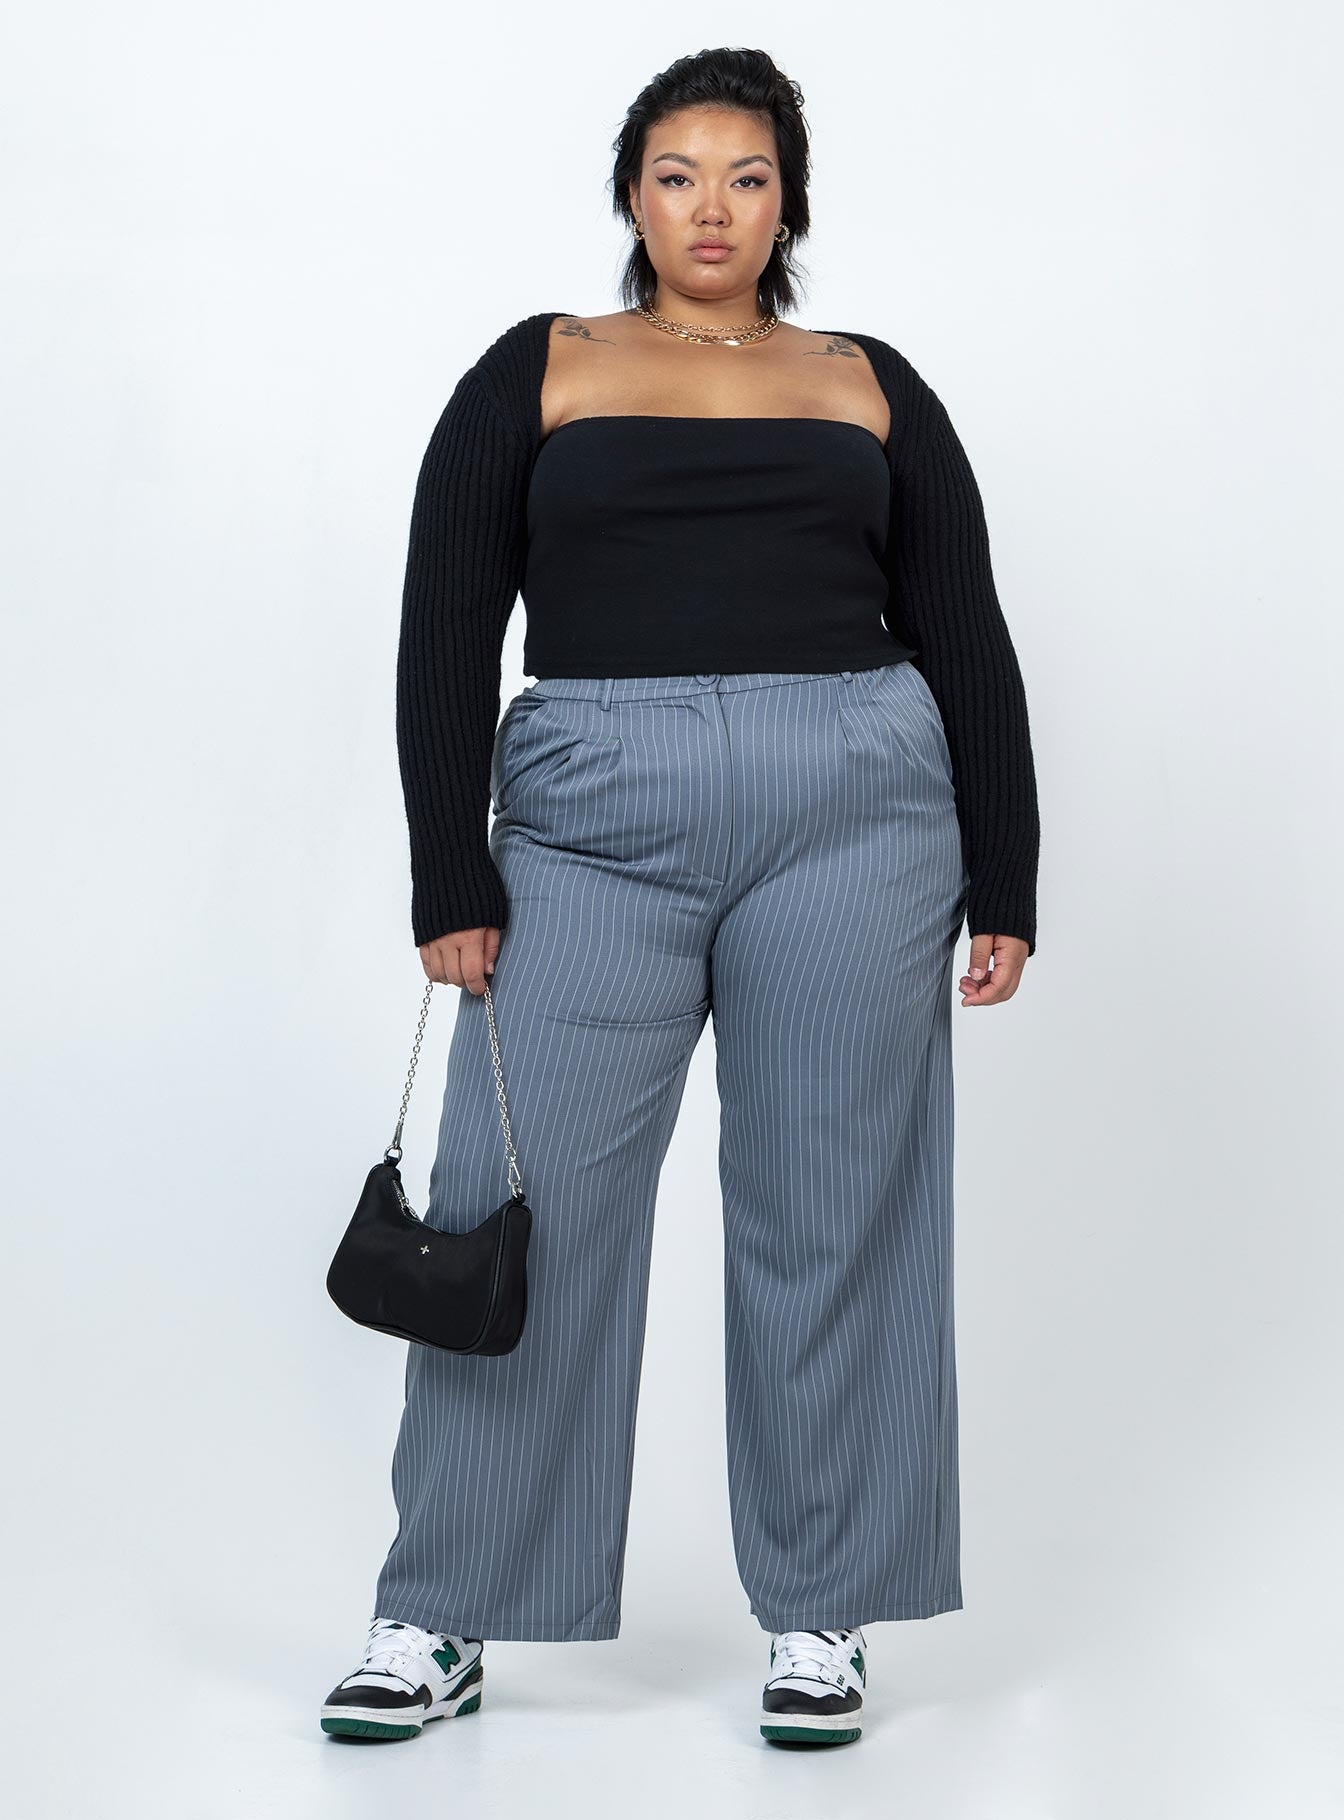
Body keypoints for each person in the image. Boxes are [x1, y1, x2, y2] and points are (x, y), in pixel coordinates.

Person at [321, 46, 1039, 1751]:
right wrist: (448, 869)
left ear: (789, 203)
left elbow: (963, 620)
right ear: (631, 197)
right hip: (591, 820)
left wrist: (1004, 867)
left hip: (857, 812)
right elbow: (445, 623)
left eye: (747, 177)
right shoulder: (543, 367)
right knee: (527, 1201)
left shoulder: (868, 382)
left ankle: (822, 1613)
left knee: (833, 1211)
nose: (712, 208)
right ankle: (444, 1609)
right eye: (677, 175)